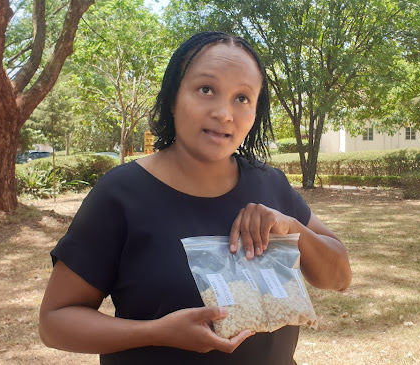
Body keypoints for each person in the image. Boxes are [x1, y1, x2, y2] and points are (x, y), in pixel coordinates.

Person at [38, 31, 352, 365]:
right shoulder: (122, 194)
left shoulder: (270, 184)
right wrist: (156, 333)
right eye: (206, 89)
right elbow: (55, 322)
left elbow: (339, 278)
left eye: (242, 98)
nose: (224, 113)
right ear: (173, 97)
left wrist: (291, 227)